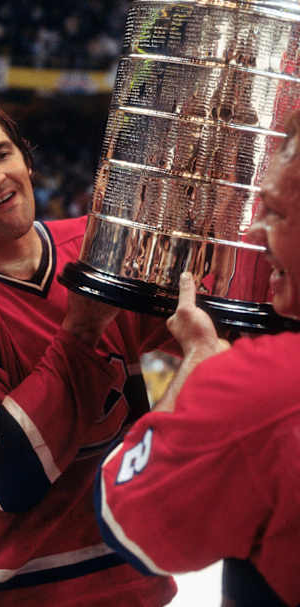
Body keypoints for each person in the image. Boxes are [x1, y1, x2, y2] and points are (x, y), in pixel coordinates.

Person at [0, 93, 179, 607]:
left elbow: (221, 332)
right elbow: (8, 479)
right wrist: (80, 333)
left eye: (1, 154)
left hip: (122, 582)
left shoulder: (101, 246)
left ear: (27, 159)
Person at [95, 111, 300, 606]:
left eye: (276, 212)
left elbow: (124, 516)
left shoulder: (263, 387)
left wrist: (198, 367)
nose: (253, 232)